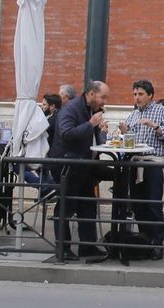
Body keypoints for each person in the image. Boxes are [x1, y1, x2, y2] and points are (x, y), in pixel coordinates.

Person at [51, 80, 110, 262]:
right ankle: (63, 248)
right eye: (103, 97)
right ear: (91, 94)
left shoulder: (91, 109)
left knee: (87, 206)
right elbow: (66, 133)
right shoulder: (71, 109)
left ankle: (87, 247)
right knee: (65, 208)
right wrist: (90, 124)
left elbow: (91, 138)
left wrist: (100, 130)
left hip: (84, 166)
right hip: (68, 166)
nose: (104, 102)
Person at [123, 79, 164, 257]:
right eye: (135, 94)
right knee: (138, 205)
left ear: (150, 95)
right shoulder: (133, 114)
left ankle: (157, 243)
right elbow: (128, 138)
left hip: (153, 163)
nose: (137, 98)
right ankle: (144, 240)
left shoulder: (161, 111)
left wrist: (155, 126)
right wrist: (123, 131)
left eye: (141, 94)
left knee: (153, 204)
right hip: (135, 162)